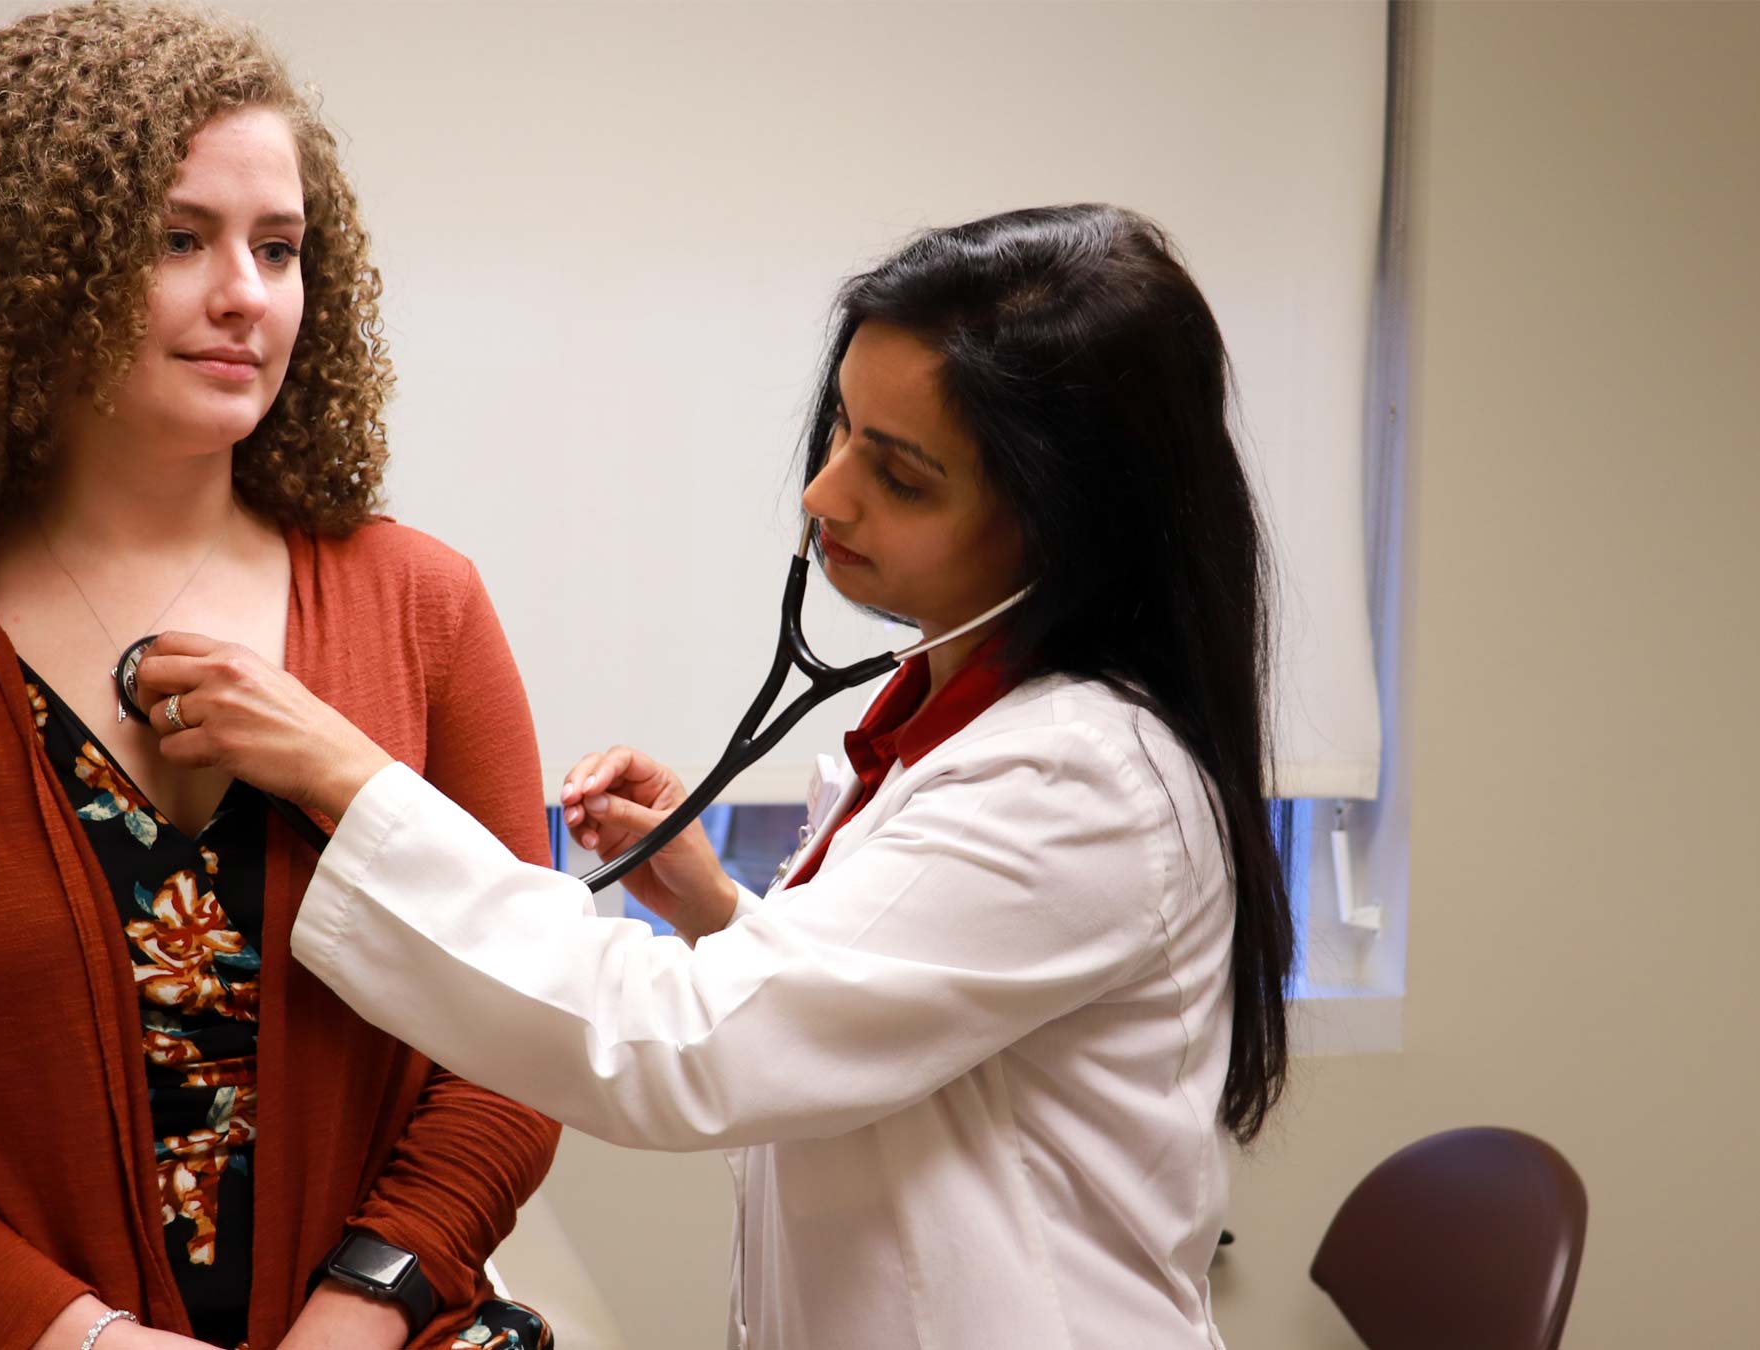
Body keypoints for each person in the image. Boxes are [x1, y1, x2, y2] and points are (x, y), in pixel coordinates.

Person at [133, 204, 1296, 1348]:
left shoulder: (1085, 781)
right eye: (841, 428)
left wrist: (345, 773)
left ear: (1062, 526)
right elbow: (870, 1035)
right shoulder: (946, 722)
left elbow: (691, 1051)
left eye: (901, 475)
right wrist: (720, 913)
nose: (824, 494)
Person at [0, 6, 559, 1349]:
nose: (246, 292)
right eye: (179, 240)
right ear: (29, 265)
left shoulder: (424, 607)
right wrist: (84, 1340)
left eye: (279, 249)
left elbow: (521, 1031)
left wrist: (361, 1307)